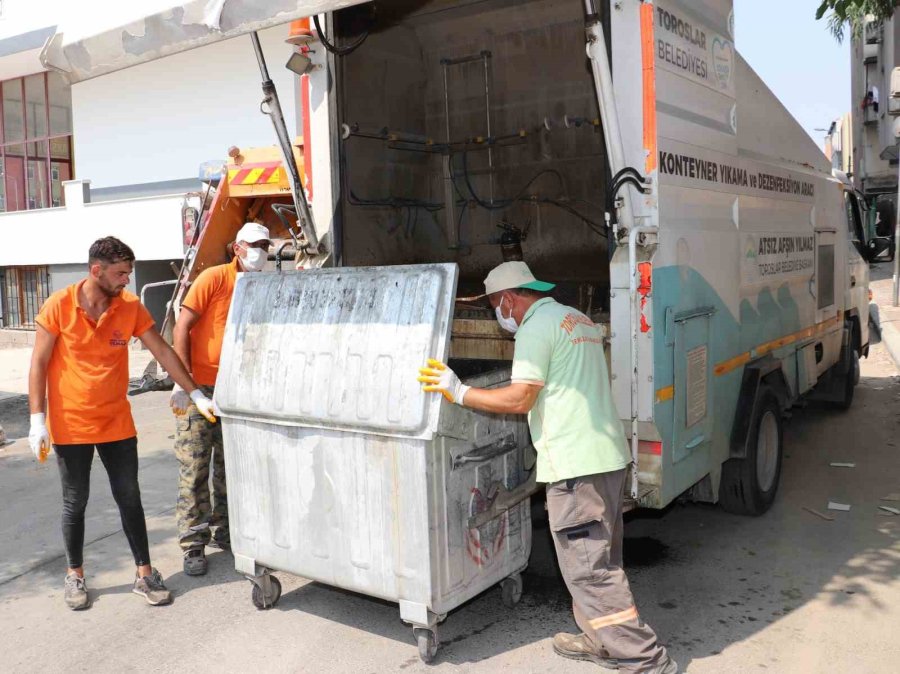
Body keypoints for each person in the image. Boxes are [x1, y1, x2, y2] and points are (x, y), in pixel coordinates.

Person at [418, 261, 677, 674]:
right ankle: (601, 640)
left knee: (590, 571)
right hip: (607, 459)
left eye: (494, 307)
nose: (498, 316)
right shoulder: (577, 319)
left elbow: (520, 399)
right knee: (599, 560)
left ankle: (646, 660)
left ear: (508, 298)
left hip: (576, 468)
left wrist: (458, 391)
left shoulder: (536, 328)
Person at [28, 236, 217, 611]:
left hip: (116, 422)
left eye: (128, 273)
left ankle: (144, 575)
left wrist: (194, 392)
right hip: (71, 425)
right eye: (119, 273)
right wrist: (38, 420)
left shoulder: (129, 306)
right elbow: (38, 362)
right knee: (75, 502)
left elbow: (161, 349)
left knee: (129, 497)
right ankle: (76, 575)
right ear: (95, 270)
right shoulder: (59, 306)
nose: (126, 280)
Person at [170, 222, 271, 575]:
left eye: (266, 245)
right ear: (237, 248)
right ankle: (193, 542)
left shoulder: (260, 286)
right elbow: (181, 327)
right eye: (255, 245)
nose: (261, 251)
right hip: (199, 387)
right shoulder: (213, 279)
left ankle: (227, 530)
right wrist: (185, 385)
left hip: (236, 389)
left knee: (231, 468)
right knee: (195, 467)